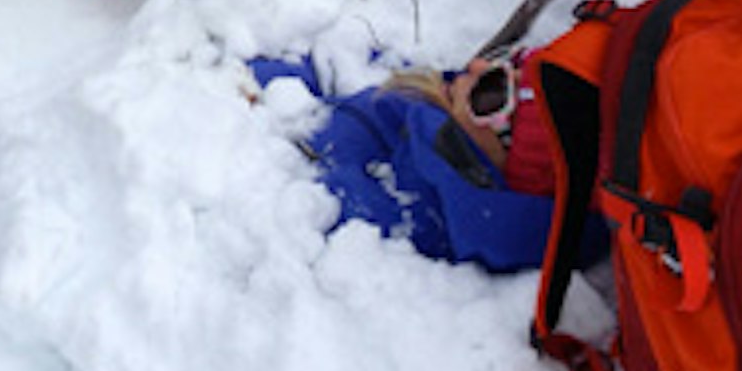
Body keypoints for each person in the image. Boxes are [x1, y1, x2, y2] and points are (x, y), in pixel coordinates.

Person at [252, 49, 604, 272]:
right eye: (508, 63)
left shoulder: (421, 211)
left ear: (499, 164)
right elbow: (333, 59)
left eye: (493, 91)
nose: (478, 65)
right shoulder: (434, 96)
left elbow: (291, 207)